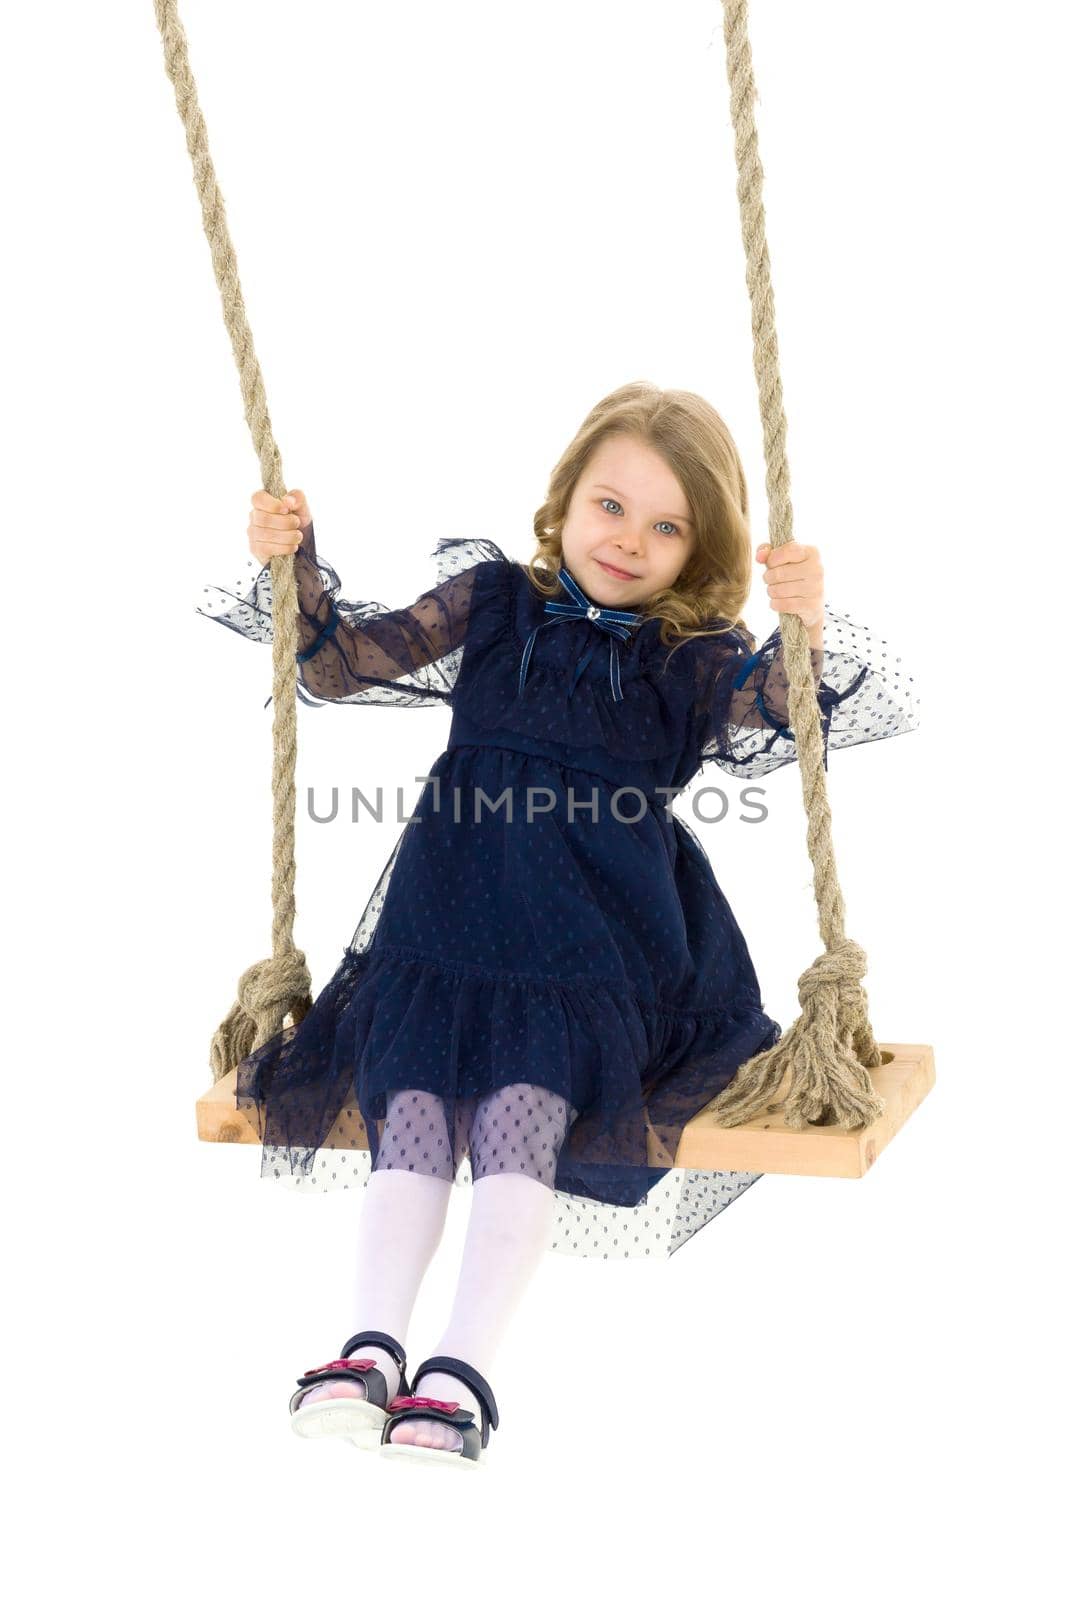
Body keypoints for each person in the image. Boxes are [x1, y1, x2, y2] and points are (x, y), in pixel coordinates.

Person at [198, 381, 918, 1459]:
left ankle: (461, 1369)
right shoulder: (488, 602)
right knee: (415, 1113)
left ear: (697, 548)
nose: (628, 540)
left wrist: (800, 623)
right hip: (442, 930)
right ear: (564, 501)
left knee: (518, 1116)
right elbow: (339, 664)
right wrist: (289, 561)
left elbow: (780, 709)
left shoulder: (691, 656)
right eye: (610, 505)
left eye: (667, 526)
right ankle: (367, 1345)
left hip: (593, 950)